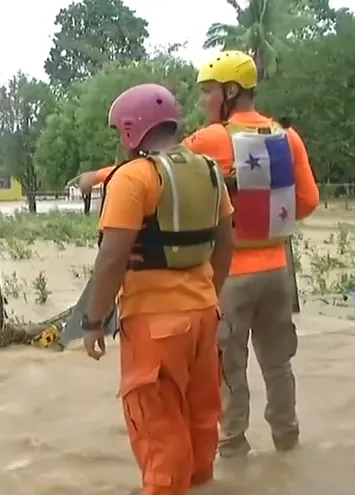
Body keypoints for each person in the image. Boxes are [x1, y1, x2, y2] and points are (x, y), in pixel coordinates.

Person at [82, 83, 234, 495]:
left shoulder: (133, 178)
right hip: (205, 315)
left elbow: (112, 259)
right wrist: (208, 297)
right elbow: (225, 244)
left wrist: (93, 321)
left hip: (155, 326)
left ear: (132, 129)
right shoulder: (208, 170)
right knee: (202, 422)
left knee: (158, 433)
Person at [182, 50, 320, 458]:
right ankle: (287, 441)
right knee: (279, 365)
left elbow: (157, 168)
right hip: (278, 270)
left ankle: (233, 447)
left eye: (207, 92)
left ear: (229, 91)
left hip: (230, 276)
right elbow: (309, 201)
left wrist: (97, 178)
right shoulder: (287, 136)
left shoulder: (209, 140)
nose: (203, 101)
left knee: (228, 367)